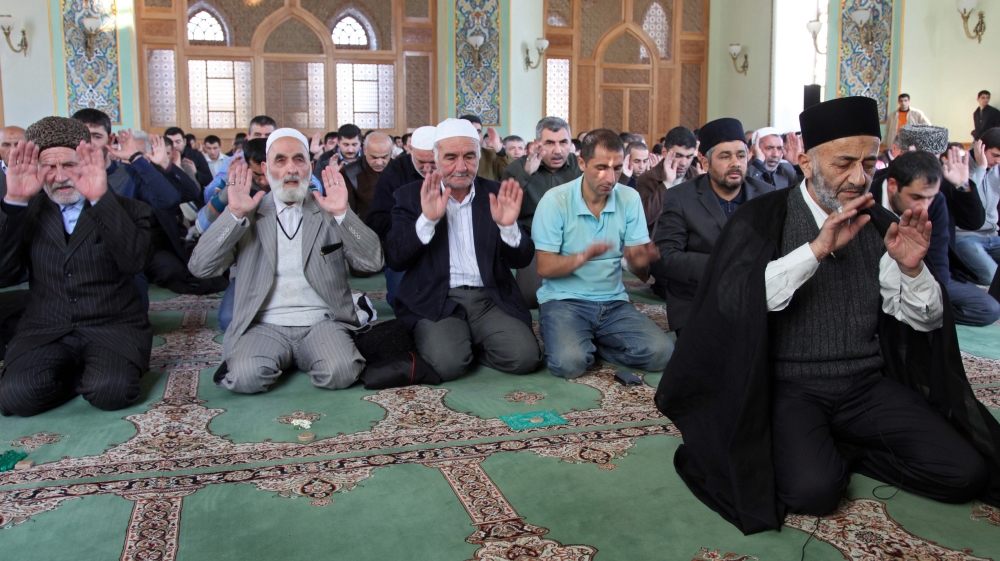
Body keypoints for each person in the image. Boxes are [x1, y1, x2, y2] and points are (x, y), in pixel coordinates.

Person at [655, 96, 998, 534]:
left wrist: (913, 270)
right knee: (815, 492)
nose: (859, 177)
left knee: (964, 474)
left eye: (869, 163)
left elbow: (925, 322)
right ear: (806, 162)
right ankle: (823, 447)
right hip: (791, 388)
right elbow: (738, 303)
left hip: (864, 385)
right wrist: (816, 250)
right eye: (844, 163)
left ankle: (847, 446)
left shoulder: (880, 224)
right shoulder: (762, 218)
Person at [188, 128, 383, 394]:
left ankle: (313, 351)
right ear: (266, 169)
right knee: (245, 378)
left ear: (310, 167)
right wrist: (234, 215)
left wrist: (342, 214)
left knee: (341, 372)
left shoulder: (327, 209)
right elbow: (200, 267)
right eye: (280, 160)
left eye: (299, 160)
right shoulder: (250, 212)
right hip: (263, 325)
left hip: (322, 321)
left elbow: (372, 262)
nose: (291, 168)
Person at [0, 117, 153, 416]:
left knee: (111, 392)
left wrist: (99, 198)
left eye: (69, 165)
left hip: (112, 325)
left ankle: (97, 373)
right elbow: (5, 274)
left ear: (87, 162)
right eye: (49, 167)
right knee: (16, 397)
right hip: (46, 327)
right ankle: (76, 373)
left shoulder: (132, 210)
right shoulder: (26, 210)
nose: (60, 177)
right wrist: (15, 202)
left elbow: (135, 262)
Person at [386, 118, 541, 381]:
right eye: (451, 157)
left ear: (479, 156)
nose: (461, 167)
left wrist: (508, 227)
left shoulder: (496, 194)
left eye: (469, 156)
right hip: (437, 297)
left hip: (490, 298)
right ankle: (459, 344)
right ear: (436, 159)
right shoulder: (411, 196)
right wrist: (427, 221)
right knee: (447, 365)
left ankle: (468, 343)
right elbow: (396, 258)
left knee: (525, 358)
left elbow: (523, 258)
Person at [533, 129, 673, 378]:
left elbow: (638, 268)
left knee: (662, 354)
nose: (610, 177)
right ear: (582, 163)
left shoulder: (629, 198)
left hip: (613, 302)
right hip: (565, 301)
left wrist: (639, 260)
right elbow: (544, 267)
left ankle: (593, 344)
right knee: (569, 364)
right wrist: (584, 256)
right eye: (601, 168)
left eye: (617, 168)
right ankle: (584, 343)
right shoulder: (554, 201)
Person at [649, 118, 774, 332]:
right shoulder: (681, 197)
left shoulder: (766, 196)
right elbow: (665, 257)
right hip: (698, 303)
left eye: (741, 155)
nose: (735, 163)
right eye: (725, 156)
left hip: (754, 301)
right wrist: (725, 266)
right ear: (705, 162)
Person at [873, 148, 999, 326]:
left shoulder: (936, 200)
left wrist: (933, 301)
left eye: (929, 198)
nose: (924, 206)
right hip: (876, 278)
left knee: (988, 309)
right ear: (893, 185)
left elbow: (938, 258)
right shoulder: (869, 196)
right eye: (916, 197)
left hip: (919, 275)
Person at [502, 116, 583, 309]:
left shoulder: (581, 166)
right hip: (534, 241)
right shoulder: (517, 168)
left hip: (574, 236)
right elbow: (505, 209)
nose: (558, 150)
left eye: (563, 142)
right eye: (549, 143)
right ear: (537, 144)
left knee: (590, 293)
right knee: (531, 297)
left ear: (571, 144)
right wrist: (527, 173)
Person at [365, 126, 437, 305]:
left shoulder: (450, 168)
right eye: (421, 161)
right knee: (401, 302)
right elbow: (377, 220)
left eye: (433, 162)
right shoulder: (394, 173)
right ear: (410, 150)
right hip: (405, 244)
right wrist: (418, 222)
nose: (427, 169)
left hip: (442, 243)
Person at [954, 128, 1000, 285]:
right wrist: (981, 167)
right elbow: (967, 195)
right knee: (991, 277)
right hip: (965, 237)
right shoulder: (959, 165)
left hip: (993, 235)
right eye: (995, 155)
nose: (998, 161)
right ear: (981, 148)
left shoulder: (997, 168)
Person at [635, 127, 696, 238]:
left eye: (689, 157)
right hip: (659, 243)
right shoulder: (646, 179)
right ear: (664, 152)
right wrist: (666, 184)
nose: (684, 163)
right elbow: (645, 218)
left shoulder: (698, 178)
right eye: (678, 156)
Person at [342, 131, 393, 222]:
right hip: (362, 227)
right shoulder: (349, 172)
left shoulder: (400, 169)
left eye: (384, 157)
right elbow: (348, 212)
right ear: (365, 150)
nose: (379, 163)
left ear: (391, 151)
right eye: (374, 157)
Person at [458, 114, 512, 181]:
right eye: (469, 131)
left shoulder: (492, 155)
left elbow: (512, 175)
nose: (475, 135)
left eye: (478, 132)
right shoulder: (450, 156)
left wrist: (498, 148)